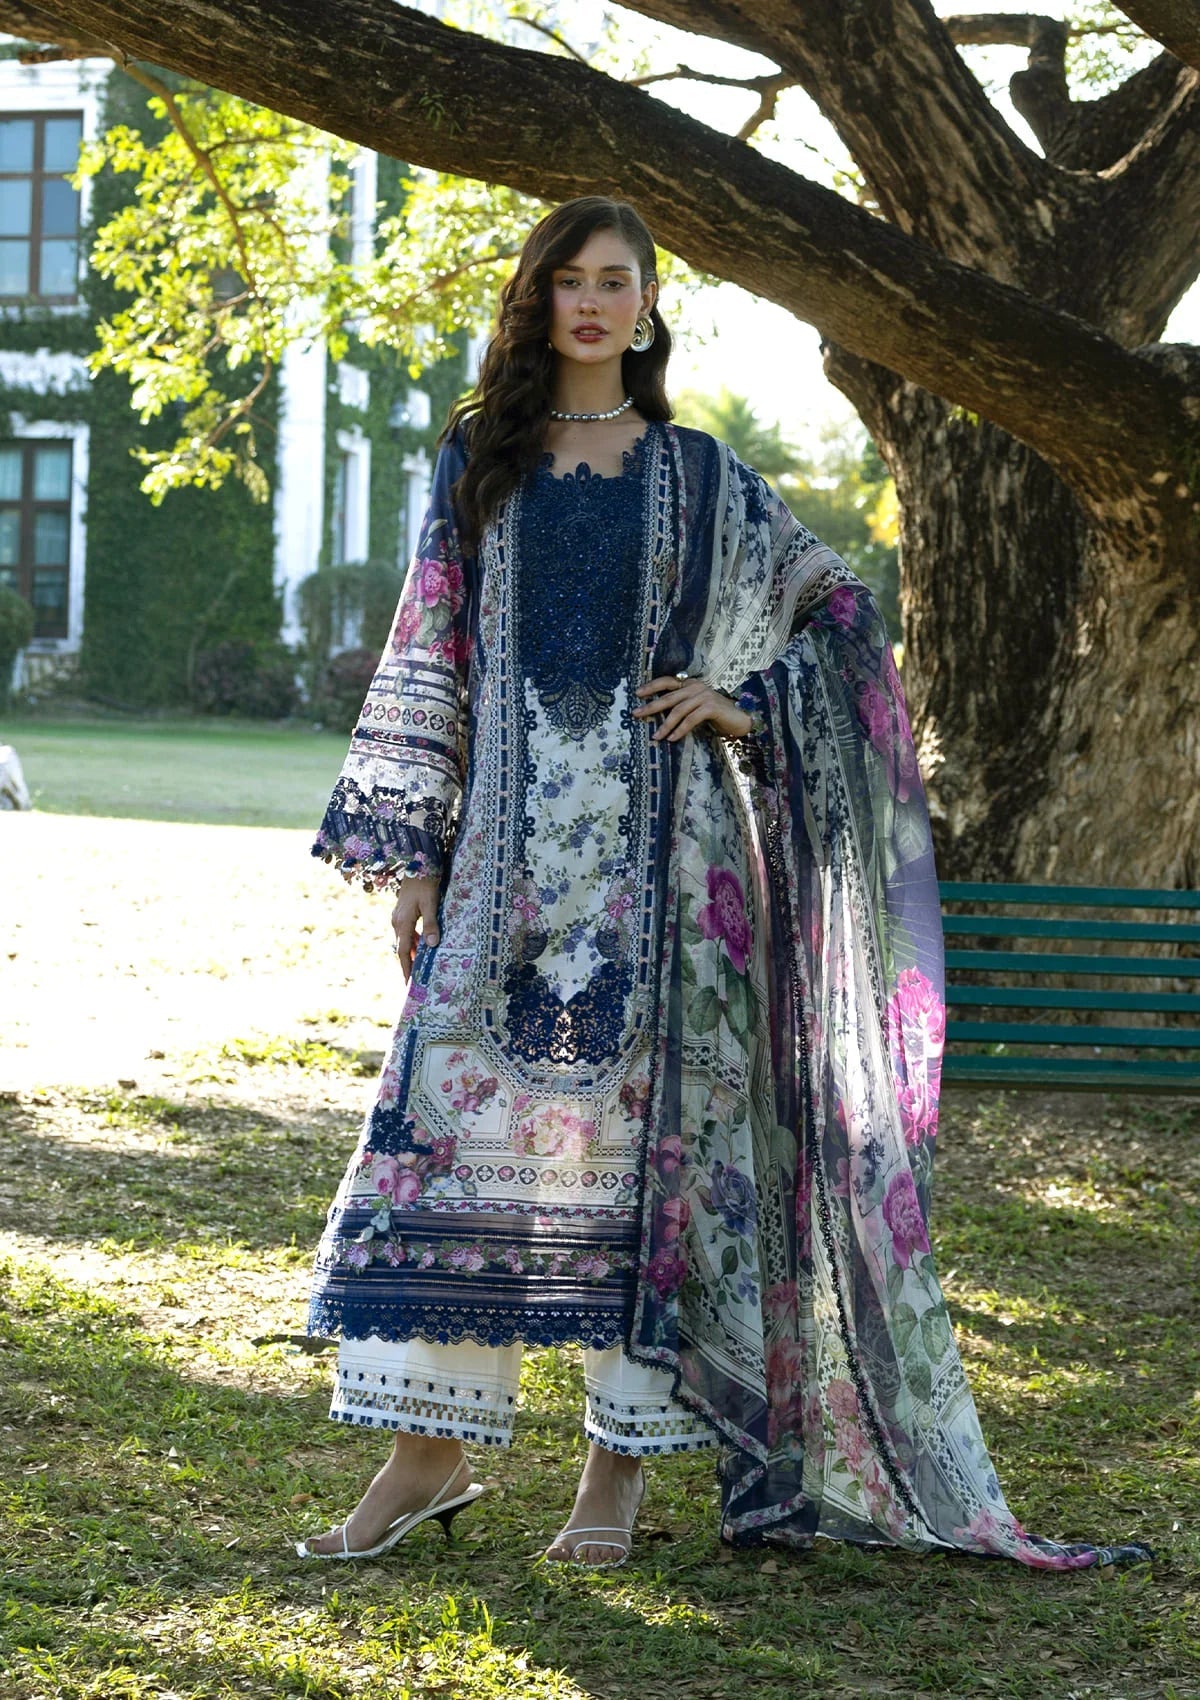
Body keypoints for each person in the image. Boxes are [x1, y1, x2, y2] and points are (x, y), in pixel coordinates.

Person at [297, 196, 1150, 1573]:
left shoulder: (701, 476)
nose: (591, 302)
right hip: (505, 866)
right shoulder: (479, 459)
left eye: (615, 281)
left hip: (675, 873)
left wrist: (744, 706)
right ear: (538, 299)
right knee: (444, 1139)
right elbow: (432, 652)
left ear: (649, 304)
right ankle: (427, 1455)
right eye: (568, 280)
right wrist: (421, 859)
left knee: (657, 1167)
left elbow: (844, 612)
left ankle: (615, 1474)